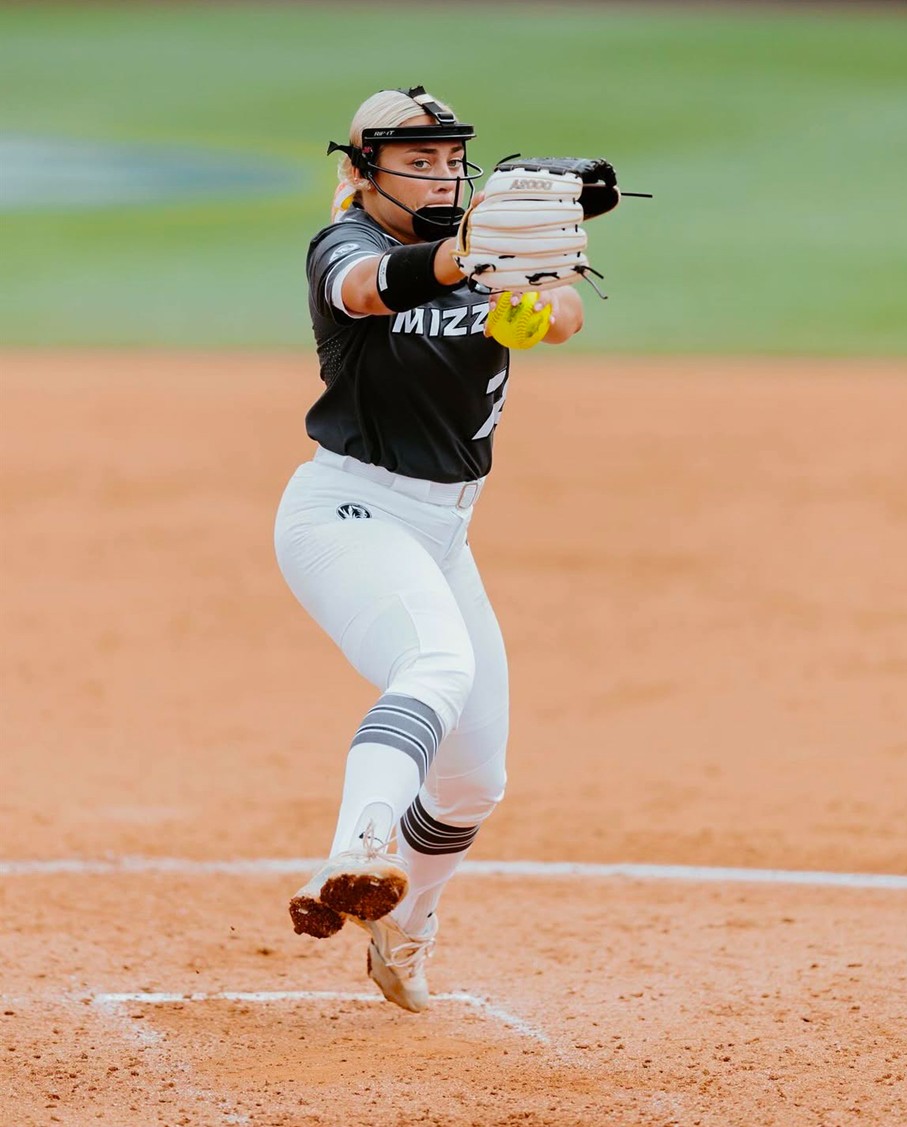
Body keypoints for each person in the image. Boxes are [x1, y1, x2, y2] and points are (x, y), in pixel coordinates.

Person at [274, 85, 584, 1013]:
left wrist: (528, 284)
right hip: (348, 509)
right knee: (435, 662)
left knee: (474, 779)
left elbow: (564, 313)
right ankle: (358, 847)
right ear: (361, 174)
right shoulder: (347, 244)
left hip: (445, 529)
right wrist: (465, 256)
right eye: (417, 159)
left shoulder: (491, 251)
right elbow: (367, 291)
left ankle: (401, 929)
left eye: (452, 159)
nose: (442, 172)